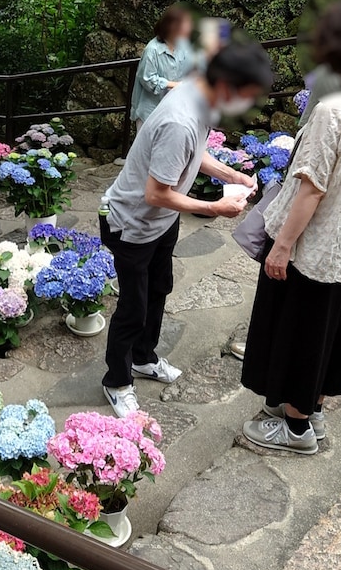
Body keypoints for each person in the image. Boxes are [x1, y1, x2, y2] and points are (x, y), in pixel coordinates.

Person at [99, 41, 272, 417]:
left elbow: (194, 153)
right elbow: (156, 193)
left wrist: (232, 174)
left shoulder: (198, 95)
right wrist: (214, 207)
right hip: (131, 224)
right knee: (133, 306)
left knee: (159, 289)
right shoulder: (180, 119)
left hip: (160, 222)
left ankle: (143, 358)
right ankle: (116, 380)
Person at [240, 0, 341, 454]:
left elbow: (311, 189)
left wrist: (281, 246)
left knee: (298, 330)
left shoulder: (333, 111)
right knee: (325, 330)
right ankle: (311, 410)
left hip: (313, 244)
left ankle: (295, 428)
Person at [131, 5, 195, 128]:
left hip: (173, 111)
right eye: (186, 24)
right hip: (150, 112)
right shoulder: (152, 50)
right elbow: (147, 79)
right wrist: (173, 85)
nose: (190, 27)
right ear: (173, 27)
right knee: (147, 146)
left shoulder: (184, 46)